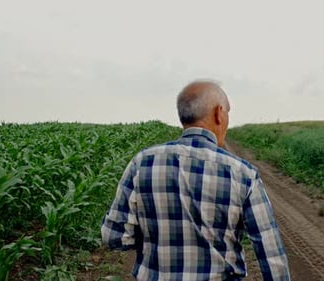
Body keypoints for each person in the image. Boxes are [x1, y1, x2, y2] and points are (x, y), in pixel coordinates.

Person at [101, 80, 290, 280]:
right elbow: (271, 257)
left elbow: (114, 236)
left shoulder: (142, 163)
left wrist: (157, 236)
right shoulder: (243, 174)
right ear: (219, 113)